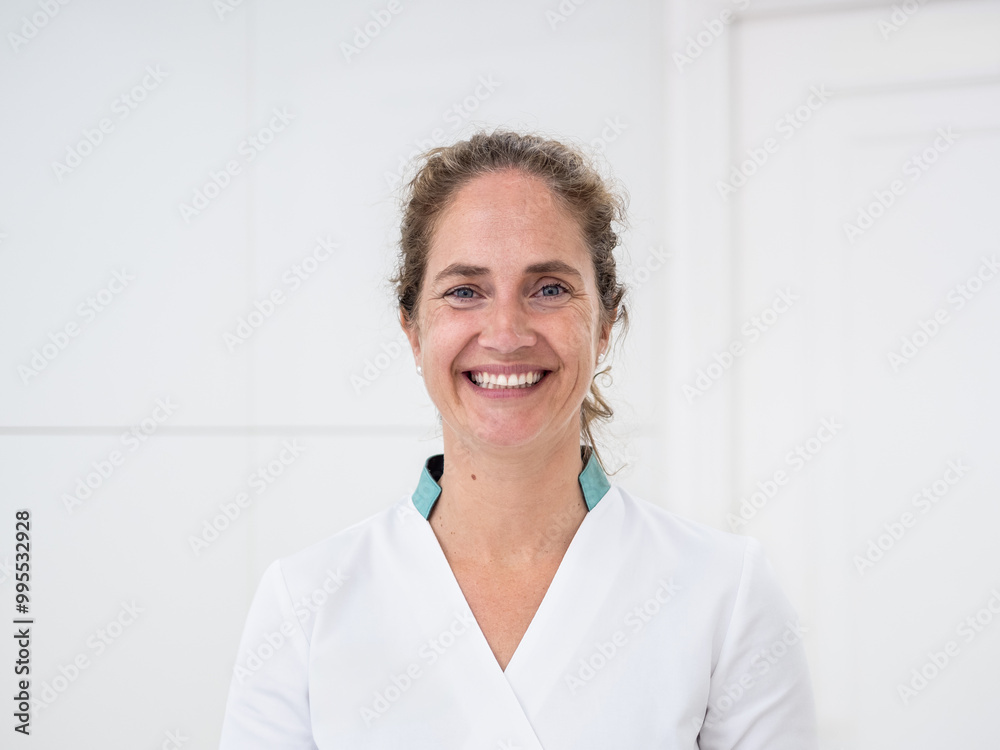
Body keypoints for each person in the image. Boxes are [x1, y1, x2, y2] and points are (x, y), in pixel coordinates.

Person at [218, 129, 819, 749]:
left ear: (606, 322)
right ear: (413, 330)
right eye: (464, 292)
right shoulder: (305, 603)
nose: (506, 332)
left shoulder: (724, 592)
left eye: (550, 288)